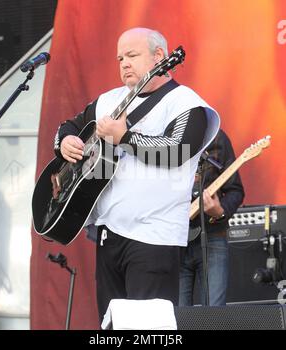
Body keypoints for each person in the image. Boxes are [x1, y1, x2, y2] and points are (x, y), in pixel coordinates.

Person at [53, 27, 220, 323]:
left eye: (132, 55)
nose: (124, 64)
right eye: (120, 58)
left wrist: (125, 137)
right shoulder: (108, 101)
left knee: (147, 329)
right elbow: (69, 126)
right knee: (112, 325)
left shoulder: (186, 103)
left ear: (159, 56)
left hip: (154, 237)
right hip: (108, 233)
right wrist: (66, 142)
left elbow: (178, 151)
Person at [179, 129, 245, 306]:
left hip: (212, 236)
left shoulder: (216, 137)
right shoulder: (164, 135)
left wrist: (220, 212)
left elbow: (235, 191)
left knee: (214, 317)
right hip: (173, 240)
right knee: (174, 318)